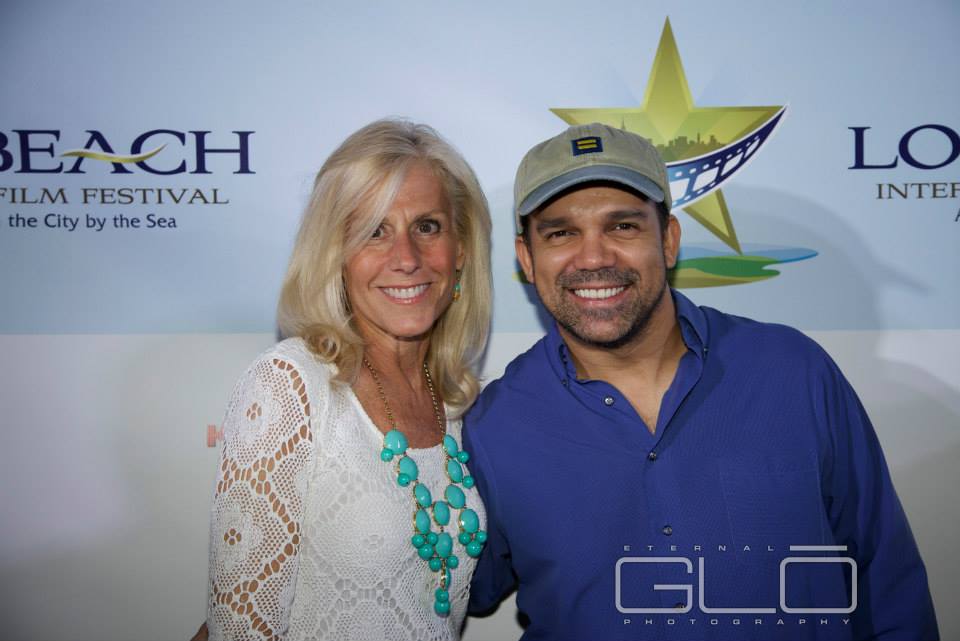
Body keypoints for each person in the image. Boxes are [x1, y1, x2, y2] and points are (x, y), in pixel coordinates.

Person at [463, 123, 939, 640]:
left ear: (668, 241)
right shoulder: (495, 425)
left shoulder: (794, 371)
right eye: (561, 233)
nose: (595, 258)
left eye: (623, 227)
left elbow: (886, 582)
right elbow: (457, 593)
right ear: (527, 258)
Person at [202, 119, 492, 640]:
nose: (406, 259)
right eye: (374, 231)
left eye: (427, 226)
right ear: (336, 254)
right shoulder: (291, 384)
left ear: (462, 249)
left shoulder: (456, 404)